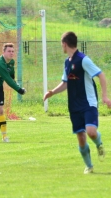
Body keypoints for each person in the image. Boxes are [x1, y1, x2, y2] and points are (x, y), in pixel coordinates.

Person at [43, 31, 111, 174]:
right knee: (81, 137)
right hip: (74, 105)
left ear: (64, 44)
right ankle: (89, 166)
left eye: (61, 44)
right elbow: (65, 83)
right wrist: (52, 92)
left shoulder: (83, 59)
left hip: (88, 103)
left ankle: (98, 143)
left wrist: (105, 97)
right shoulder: (67, 62)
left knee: (91, 132)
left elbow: (101, 75)